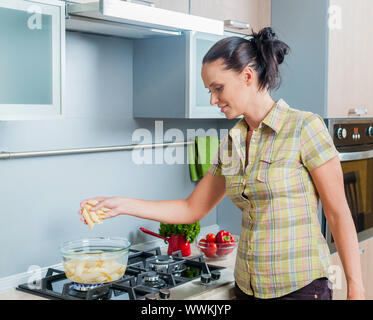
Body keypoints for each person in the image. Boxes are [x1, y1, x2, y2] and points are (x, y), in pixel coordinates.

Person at [79, 27, 365, 300]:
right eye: (209, 91)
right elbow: (192, 208)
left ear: (248, 76)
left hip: (301, 289)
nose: (213, 99)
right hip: (246, 288)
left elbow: (338, 212)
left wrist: (356, 288)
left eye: (218, 88)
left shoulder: (304, 127)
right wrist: (123, 205)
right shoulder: (233, 141)